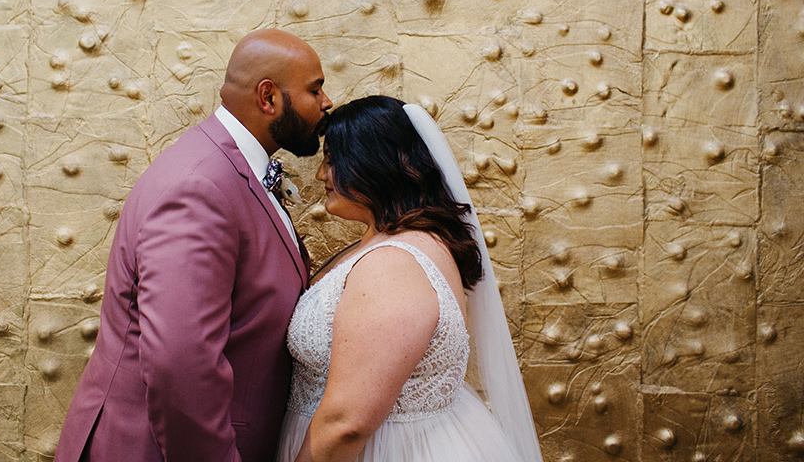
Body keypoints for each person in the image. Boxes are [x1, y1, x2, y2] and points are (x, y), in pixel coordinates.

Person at [55, 29, 333, 462]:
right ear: (268, 98)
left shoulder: (230, 169)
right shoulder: (200, 188)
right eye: (315, 89)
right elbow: (180, 364)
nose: (326, 102)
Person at [276, 96, 543, 462]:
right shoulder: (399, 239)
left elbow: (347, 423)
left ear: (376, 163)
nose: (322, 175)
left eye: (332, 160)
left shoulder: (392, 266)